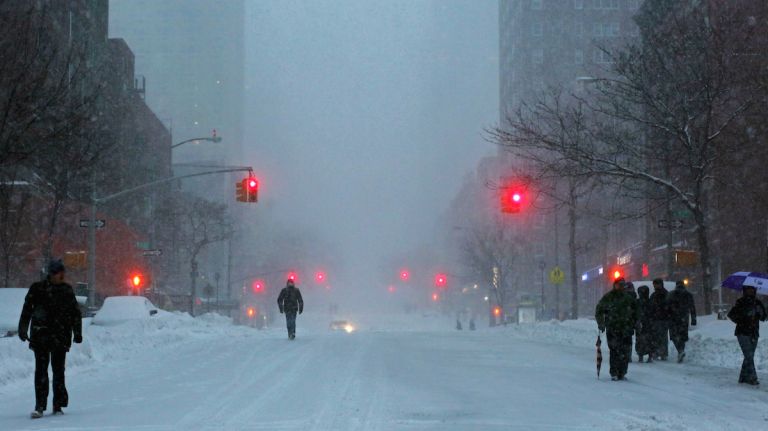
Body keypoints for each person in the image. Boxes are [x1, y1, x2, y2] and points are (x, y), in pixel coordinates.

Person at [18, 259, 83, 419]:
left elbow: (75, 313)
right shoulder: (38, 289)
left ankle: (58, 404)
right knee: (41, 371)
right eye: (60, 273)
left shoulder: (66, 290)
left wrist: (77, 332)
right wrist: (23, 328)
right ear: (53, 274)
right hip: (41, 336)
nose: (63, 276)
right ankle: (40, 405)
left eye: (63, 273)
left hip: (60, 337)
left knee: (58, 371)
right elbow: (27, 309)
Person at [596, 278, 639, 381]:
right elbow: (599, 310)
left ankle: (622, 372)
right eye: (618, 285)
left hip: (626, 329)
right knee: (614, 351)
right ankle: (614, 372)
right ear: (614, 285)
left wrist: (636, 322)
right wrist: (601, 323)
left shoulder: (628, 298)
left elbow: (636, 311)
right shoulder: (608, 297)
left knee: (625, 351)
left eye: (622, 285)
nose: (620, 287)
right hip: (613, 328)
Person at [727, 284, 766, 385]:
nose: (750, 291)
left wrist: (760, 311)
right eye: (748, 289)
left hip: (754, 332)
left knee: (749, 356)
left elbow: (763, 317)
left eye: (752, 289)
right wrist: (743, 318)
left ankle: (743, 378)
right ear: (744, 290)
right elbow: (731, 315)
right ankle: (753, 378)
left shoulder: (757, 303)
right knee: (748, 355)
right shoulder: (740, 302)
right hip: (742, 332)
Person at [667, 280, 697, 363]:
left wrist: (667, 316)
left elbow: (667, 306)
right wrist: (693, 319)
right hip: (684, 318)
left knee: (674, 336)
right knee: (683, 336)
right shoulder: (688, 295)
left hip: (673, 318)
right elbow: (692, 307)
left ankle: (680, 351)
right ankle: (681, 351)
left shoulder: (671, 294)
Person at [648, 278, 671, 361]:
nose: (655, 285)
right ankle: (659, 352)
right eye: (655, 284)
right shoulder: (654, 295)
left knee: (662, 336)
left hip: (662, 318)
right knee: (656, 336)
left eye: (657, 284)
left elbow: (669, 307)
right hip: (656, 318)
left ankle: (662, 353)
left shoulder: (665, 294)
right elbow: (650, 307)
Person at [635, 285, 654, 363]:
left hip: (644, 323)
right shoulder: (649, 302)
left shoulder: (639, 302)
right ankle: (646, 355)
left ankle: (643, 355)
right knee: (646, 340)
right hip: (645, 323)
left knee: (642, 340)